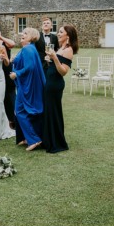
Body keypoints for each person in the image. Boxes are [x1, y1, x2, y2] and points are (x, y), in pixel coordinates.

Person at [42, 24, 77, 153]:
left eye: (61, 32)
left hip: (55, 84)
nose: (58, 34)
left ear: (68, 35)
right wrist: (49, 59)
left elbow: (63, 72)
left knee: (54, 112)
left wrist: (54, 58)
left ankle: (57, 142)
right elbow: (54, 65)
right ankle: (49, 140)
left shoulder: (69, 49)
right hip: (49, 82)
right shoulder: (60, 47)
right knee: (49, 112)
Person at [10, 27, 46, 151]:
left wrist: (16, 74)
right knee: (21, 111)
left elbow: (30, 67)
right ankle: (27, 137)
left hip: (27, 86)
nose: (22, 34)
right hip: (25, 85)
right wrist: (14, 60)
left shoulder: (28, 49)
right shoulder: (27, 49)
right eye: (23, 32)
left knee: (19, 111)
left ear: (32, 37)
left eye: (25, 33)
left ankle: (34, 139)